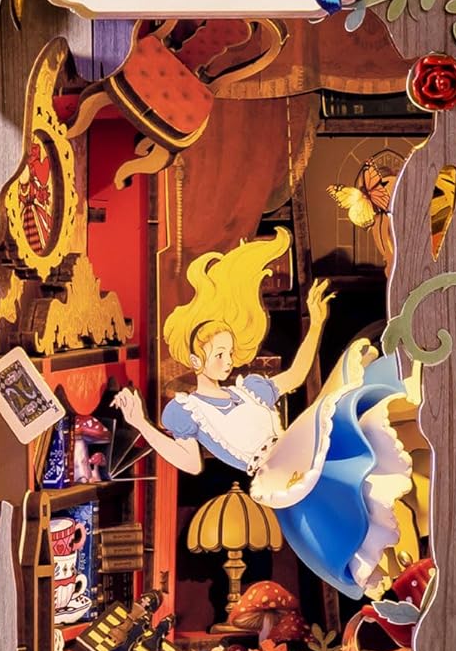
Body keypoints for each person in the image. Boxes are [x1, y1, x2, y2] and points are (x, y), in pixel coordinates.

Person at [111, 230, 414, 598]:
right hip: (278, 476)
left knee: (359, 451)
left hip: (299, 445)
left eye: (229, 352)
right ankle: (391, 565)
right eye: (218, 355)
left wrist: (317, 322)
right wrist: (141, 423)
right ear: (195, 361)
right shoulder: (189, 411)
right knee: (344, 522)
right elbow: (189, 463)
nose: (227, 361)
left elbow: (296, 376)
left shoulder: (249, 389)